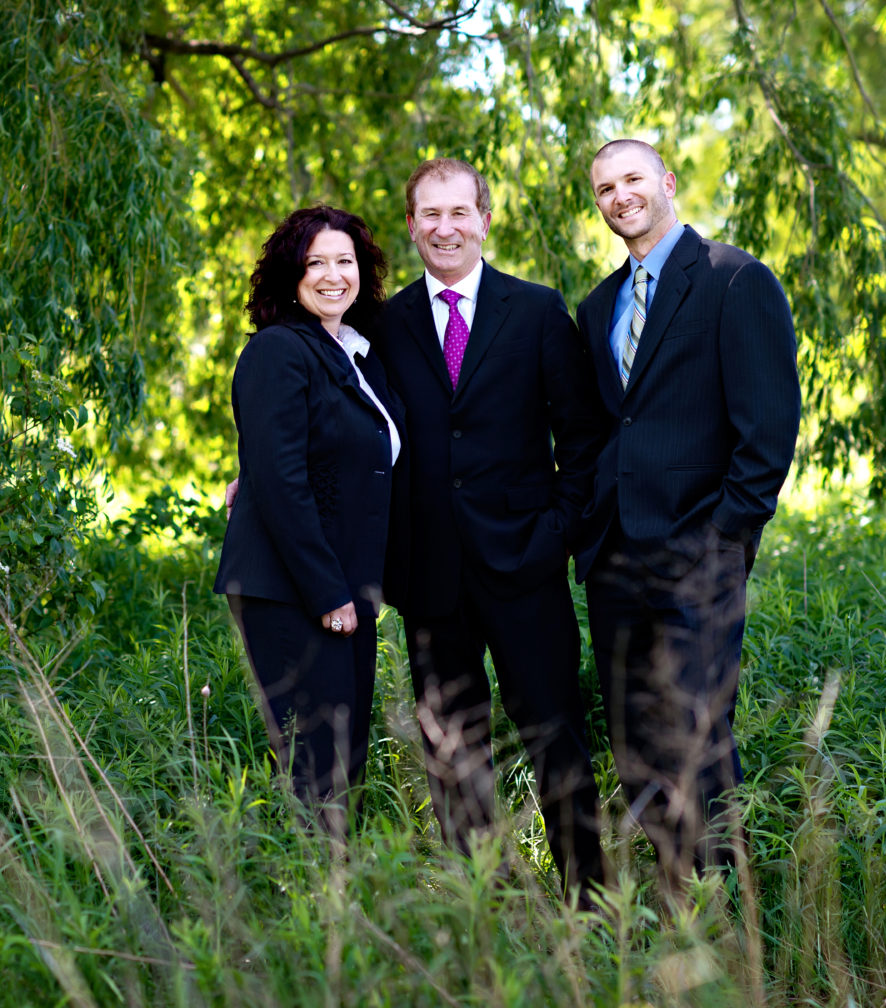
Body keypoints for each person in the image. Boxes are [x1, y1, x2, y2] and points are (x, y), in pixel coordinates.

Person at [574, 139, 801, 888]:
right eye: (605, 187)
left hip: (697, 554)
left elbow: (767, 433)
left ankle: (725, 918)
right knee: (634, 739)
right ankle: (674, 901)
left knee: (699, 738)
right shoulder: (598, 304)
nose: (620, 196)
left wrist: (722, 537)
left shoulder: (735, 280)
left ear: (666, 182)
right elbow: (616, 427)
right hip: (614, 561)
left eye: (633, 179)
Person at [379, 158, 606, 901]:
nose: (444, 227)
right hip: (430, 577)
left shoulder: (537, 312)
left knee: (556, 739)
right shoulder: (384, 323)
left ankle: (591, 908)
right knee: (453, 753)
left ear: (484, 219)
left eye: (458, 213)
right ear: (411, 226)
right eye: (429, 215)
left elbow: (581, 441)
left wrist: (555, 534)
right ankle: (485, 910)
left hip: (526, 568)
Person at [214, 205, 403, 827]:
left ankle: (337, 909)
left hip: (345, 588)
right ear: (289, 276)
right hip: (294, 590)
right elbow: (280, 480)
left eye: (343, 261)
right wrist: (328, 592)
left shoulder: (354, 354)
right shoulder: (278, 351)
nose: (331, 275)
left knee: (343, 765)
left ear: (362, 271)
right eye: (314, 262)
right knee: (315, 769)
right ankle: (304, 906)